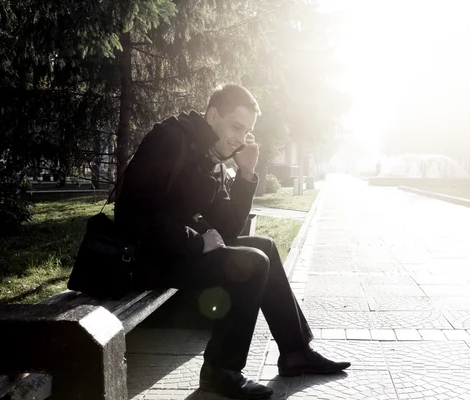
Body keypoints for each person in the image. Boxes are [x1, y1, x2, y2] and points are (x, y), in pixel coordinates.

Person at [115, 84, 350, 400]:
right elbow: (136, 216)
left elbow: (227, 228)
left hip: (174, 251)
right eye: (236, 126)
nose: (241, 138)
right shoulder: (170, 140)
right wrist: (198, 243)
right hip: (140, 258)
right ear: (212, 116)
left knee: (263, 245)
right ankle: (220, 371)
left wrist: (247, 174)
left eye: (247, 131)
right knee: (252, 263)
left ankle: (295, 351)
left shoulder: (210, 154)